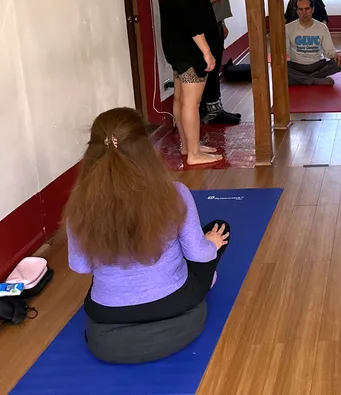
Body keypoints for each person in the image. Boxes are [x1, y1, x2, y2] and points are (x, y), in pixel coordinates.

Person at [65, 108, 229, 359]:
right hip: (174, 301)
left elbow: (80, 266)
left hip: (107, 312)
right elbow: (200, 254)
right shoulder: (174, 193)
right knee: (219, 230)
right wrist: (212, 244)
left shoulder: (80, 204)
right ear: (146, 149)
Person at [149, 0, 222, 165]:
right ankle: (193, 154)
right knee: (192, 102)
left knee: (180, 99)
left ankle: (188, 146)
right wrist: (207, 52)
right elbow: (192, 23)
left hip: (177, 49)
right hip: (190, 51)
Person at [187, 0, 241, 126]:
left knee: (216, 65)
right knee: (210, 67)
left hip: (215, 22)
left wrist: (223, 22)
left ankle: (215, 107)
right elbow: (197, 0)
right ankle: (211, 110)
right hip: (206, 25)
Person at [285, 0, 341, 85]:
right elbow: (285, 51)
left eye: (307, 9)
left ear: (312, 9)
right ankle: (315, 80)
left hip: (317, 65)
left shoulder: (322, 27)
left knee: (339, 63)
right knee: (278, 67)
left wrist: (338, 54)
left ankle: (299, 79)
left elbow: (329, 51)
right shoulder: (288, 28)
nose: (304, 12)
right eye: (300, 9)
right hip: (296, 65)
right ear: (297, 11)